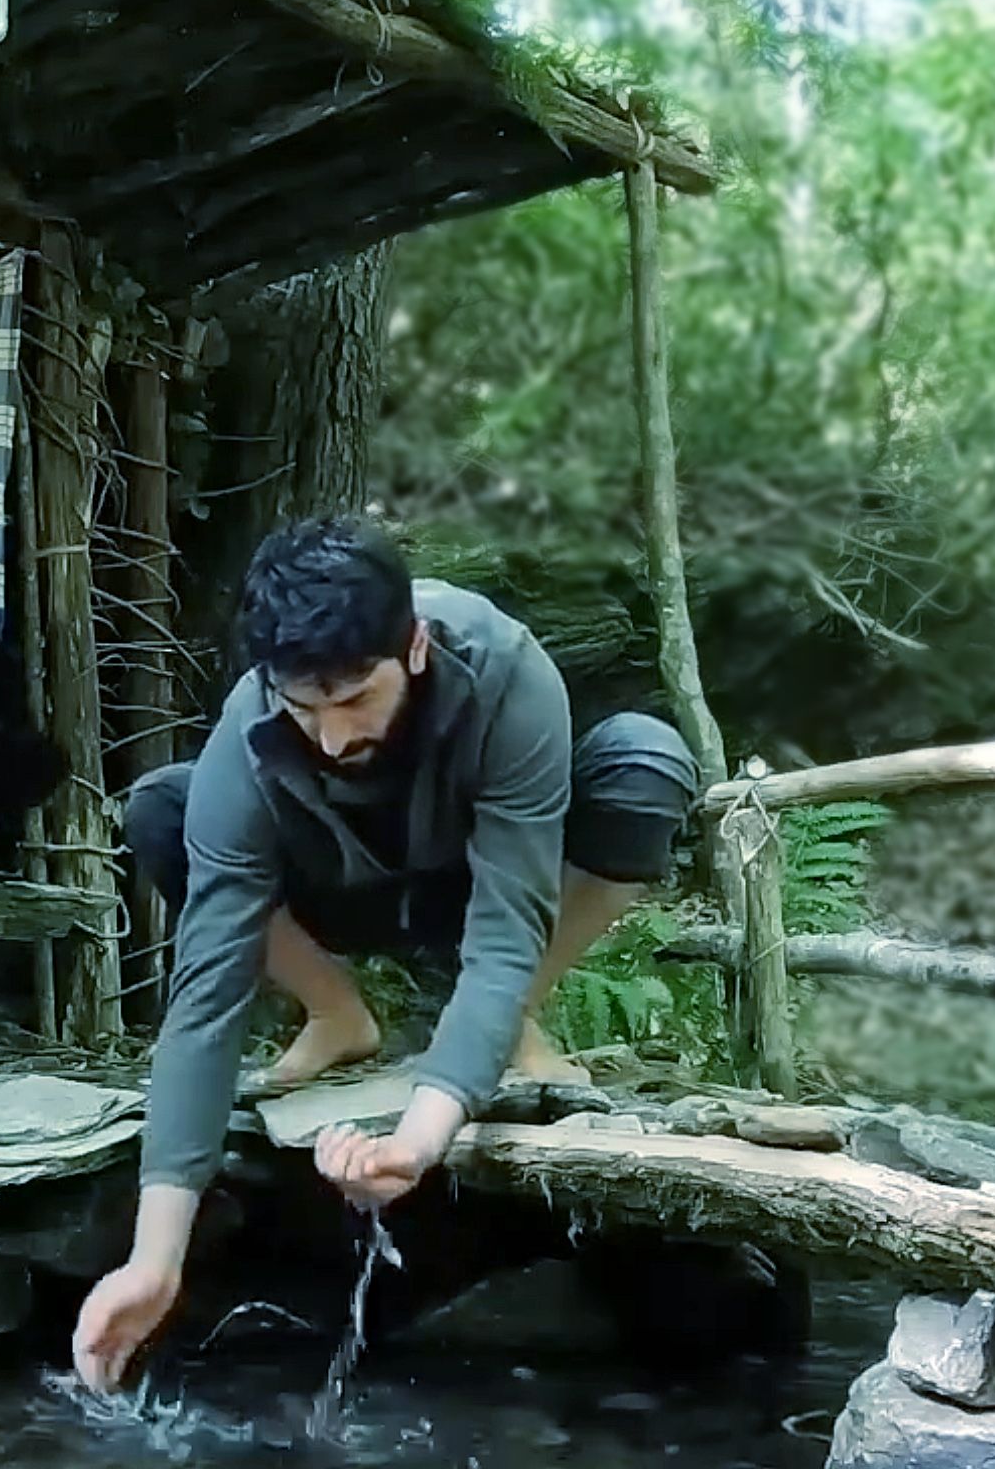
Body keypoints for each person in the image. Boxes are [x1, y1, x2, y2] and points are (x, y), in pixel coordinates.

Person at [70, 515, 700, 1390]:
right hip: (337, 888)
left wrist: (418, 1139)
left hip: (482, 886)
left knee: (646, 760)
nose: (331, 737)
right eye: (303, 709)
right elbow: (205, 996)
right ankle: (337, 1012)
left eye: (353, 699)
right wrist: (153, 1261)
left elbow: (507, 924)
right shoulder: (249, 727)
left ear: (413, 646)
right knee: (163, 807)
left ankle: (505, 1025)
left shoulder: (510, 675)